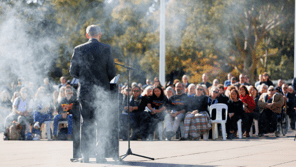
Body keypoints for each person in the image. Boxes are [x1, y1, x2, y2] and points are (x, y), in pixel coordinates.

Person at [70, 25, 116, 163]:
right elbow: (112, 71)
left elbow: (73, 71)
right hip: (101, 90)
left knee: (86, 123)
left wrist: (85, 77)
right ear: (99, 35)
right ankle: (100, 156)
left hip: (85, 91)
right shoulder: (106, 48)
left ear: (87, 35)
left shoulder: (78, 49)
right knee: (101, 123)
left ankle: (85, 156)